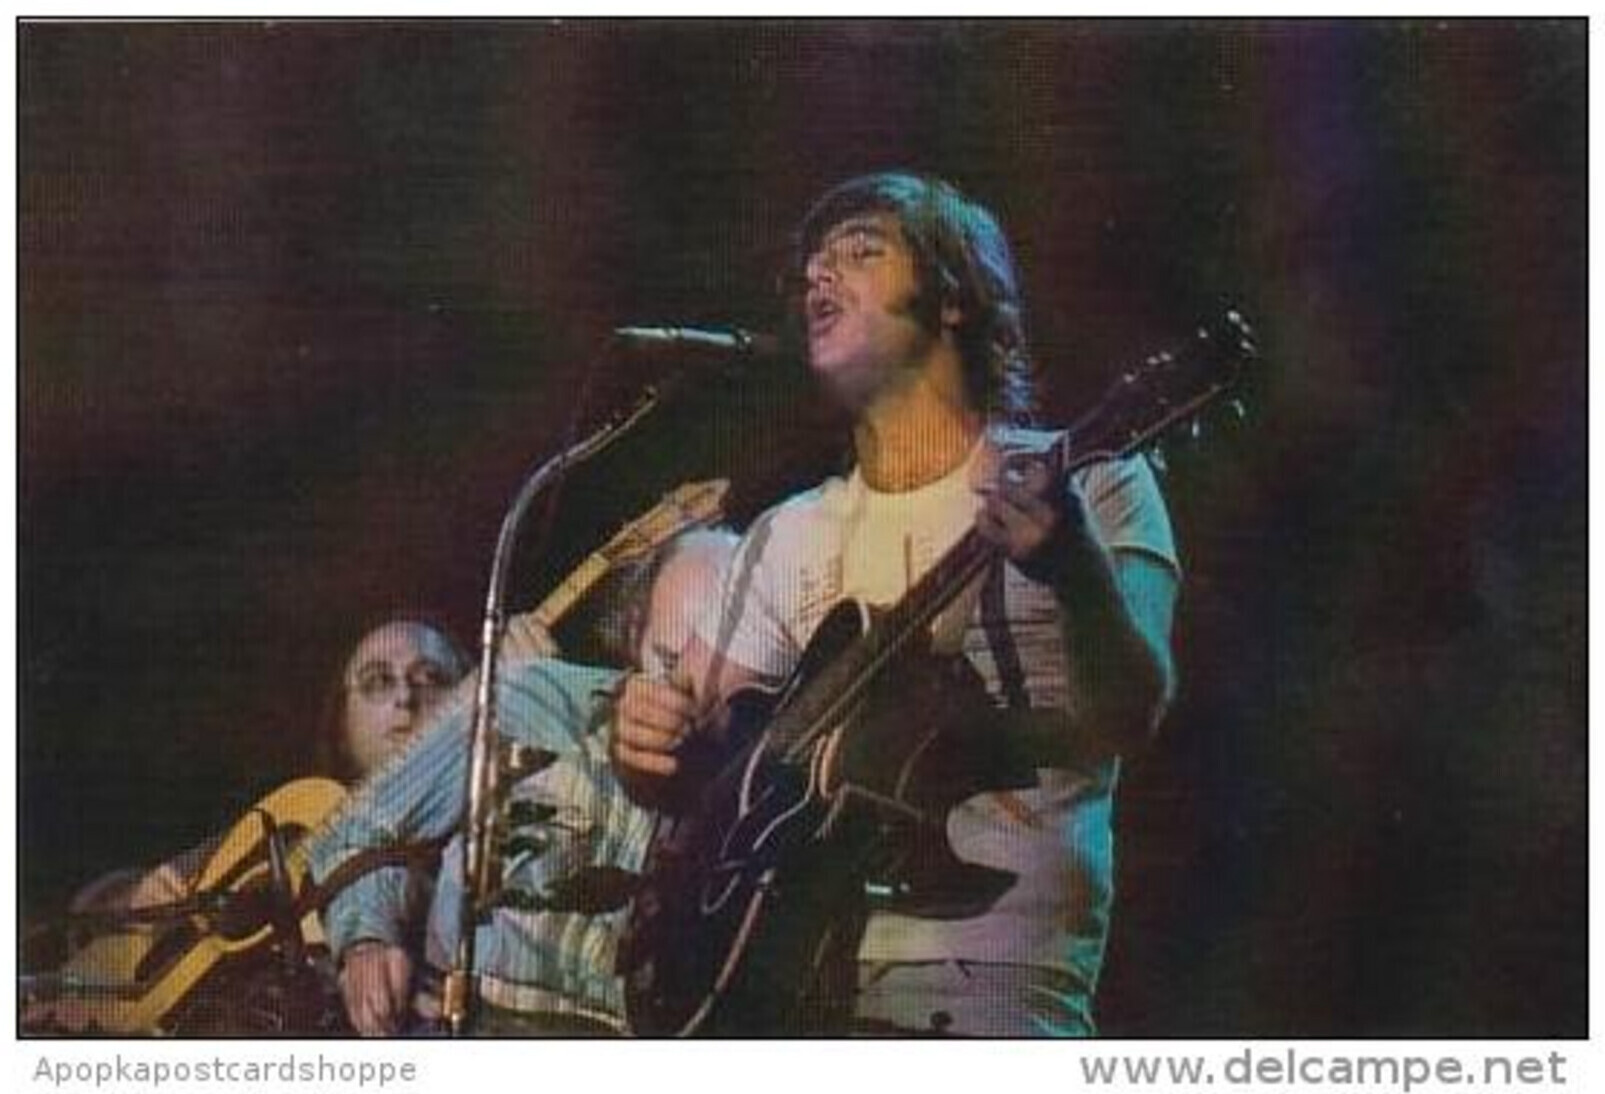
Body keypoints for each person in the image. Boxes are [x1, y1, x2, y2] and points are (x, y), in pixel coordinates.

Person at [611, 172, 1180, 1036]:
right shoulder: (787, 533)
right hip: (788, 986)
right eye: (811, 267)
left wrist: (1073, 570)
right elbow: (693, 767)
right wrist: (642, 745)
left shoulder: (1092, 479)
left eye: (860, 251)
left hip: (990, 987)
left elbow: (1131, 714)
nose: (819, 276)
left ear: (952, 297)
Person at [306, 529, 737, 1036]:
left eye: (719, 668)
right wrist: (367, 940)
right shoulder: (533, 696)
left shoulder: (758, 790)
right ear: (633, 633)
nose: (683, 694)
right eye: (667, 661)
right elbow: (360, 828)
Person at [23, 618, 472, 1034]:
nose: (405, 698)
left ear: (472, 701)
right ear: (341, 719)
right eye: (377, 681)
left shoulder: (480, 842)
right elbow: (101, 904)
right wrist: (131, 904)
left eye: (431, 678)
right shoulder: (292, 815)